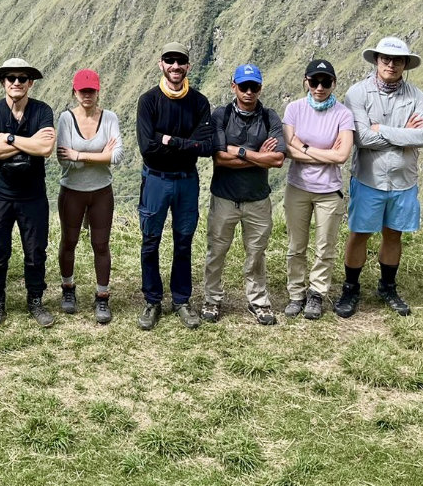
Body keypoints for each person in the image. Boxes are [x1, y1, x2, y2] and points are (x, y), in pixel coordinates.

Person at [338, 37, 423, 318]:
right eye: (386, 59)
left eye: (397, 60)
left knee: (394, 234)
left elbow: (422, 136)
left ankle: (387, 286)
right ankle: (351, 287)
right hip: (369, 178)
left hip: (404, 180)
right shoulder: (357, 93)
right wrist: (402, 133)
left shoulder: (418, 96)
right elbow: (362, 138)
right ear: (376, 61)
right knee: (360, 233)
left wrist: (383, 129)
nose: (391, 65)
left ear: (405, 64)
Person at [134, 42, 214, 330]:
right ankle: (152, 300)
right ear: (161, 64)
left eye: (180, 61)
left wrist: (169, 140)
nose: (175, 66)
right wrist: (186, 144)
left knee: (184, 241)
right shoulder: (149, 101)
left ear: (188, 66)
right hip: (156, 179)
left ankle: (181, 299)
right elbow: (148, 148)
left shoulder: (199, 102)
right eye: (170, 60)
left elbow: (206, 146)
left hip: (186, 182)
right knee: (150, 241)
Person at [201, 64, 286, 325]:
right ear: (233, 86)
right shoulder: (221, 115)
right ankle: (212, 299)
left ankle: (258, 300)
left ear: (260, 88)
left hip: (258, 199)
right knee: (216, 250)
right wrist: (257, 155)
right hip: (225, 197)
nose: (249, 92)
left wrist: (235, 150)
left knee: (257, 252)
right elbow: (218, 158)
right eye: (244, 86)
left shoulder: (270, 117)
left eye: (254, 87)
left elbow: (279, 159)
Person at [0, 58, 56, 327]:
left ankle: (35, 299)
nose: (16, 83)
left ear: (30, 83)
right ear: (3, 83)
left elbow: (46, 149)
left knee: (36, 251)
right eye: (11, 78)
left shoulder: (42, 111)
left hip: (32, 195)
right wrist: (29, 143)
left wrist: (7, 138)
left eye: (22, 78)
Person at [281, 59, 354, 320]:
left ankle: (316, 293)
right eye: (314, 81)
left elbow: (343, 155)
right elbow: (287, 150)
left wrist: (306, 149)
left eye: (325, 82)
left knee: (325, 247)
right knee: (296, 245)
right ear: (306, 82)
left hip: (328, 190)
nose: (319, 87)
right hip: (298, 188)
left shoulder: (343, 114)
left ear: (333, 84)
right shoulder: (294, 109)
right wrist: (326, 153)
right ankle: (296, 293)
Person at [55, 69, 124, 324]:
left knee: (101, 244)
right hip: (72, 191)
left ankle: (102, 296)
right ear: (74, 92)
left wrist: (80, 155)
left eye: (91, 91)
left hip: (101, 192)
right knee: (69, 241)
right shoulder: (65, 118)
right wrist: (99, 156)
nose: (87, 95)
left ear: (98, 92)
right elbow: (63, 159)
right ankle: (68, 289)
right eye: (82, 91)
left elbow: (117, 156)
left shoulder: (109, 118)